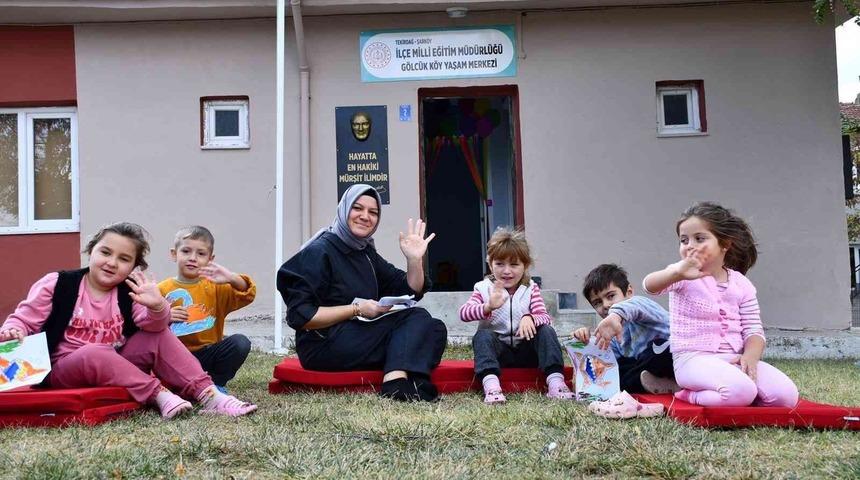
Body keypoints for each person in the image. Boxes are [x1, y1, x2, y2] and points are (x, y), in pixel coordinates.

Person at [0, 222, 256, 418]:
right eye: (105, 252)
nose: (112, 263)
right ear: (92, 251)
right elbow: (24, 319)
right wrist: (13, 329)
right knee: (94, 352)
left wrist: (157, 306)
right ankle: (157, 394)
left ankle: (210, 395)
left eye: (123, 259)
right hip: (63, 368)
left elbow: (153, 325)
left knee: (158, 334)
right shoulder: (58, 284)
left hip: (117, 361)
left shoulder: (129, 290)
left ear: (134, 266)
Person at [277, 184, 447, 402]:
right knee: (418, 320)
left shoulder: (364, 251)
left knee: (435, 329)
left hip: (357, 337)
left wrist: (414, 260)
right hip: (323, 344)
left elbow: (410, 289)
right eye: (357, 208)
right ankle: (400, 382)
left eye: (373, 212)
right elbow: (303, 316)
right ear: (344, 210)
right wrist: (356, 309)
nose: (365, 216)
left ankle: (406, 377)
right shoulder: (320, 251)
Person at [642, 202, 799, 407]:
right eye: (683, 240)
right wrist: (676, 272)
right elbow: (649, 285)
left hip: (733, 360)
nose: (689, 245)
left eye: (699, 238)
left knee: (786, 396)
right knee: (740, 391)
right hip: (692, 360)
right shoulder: (679, 275)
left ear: (725, 243)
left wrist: (750, 357)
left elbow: (754, 330)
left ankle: (735, 395)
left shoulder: (742, 284)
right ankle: (686, 393)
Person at [458, 227, 575, 405]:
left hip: (527, 351)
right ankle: (491, 386)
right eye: (499, 264)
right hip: (499, 354)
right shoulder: (483, 288)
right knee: (483, 336)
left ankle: (556, 382)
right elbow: (464, 313)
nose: (506, 271)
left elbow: (544, 317)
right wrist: (488, 306)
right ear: (490, 264)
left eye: (514, 264)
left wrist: (529, 317)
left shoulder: (530, 288)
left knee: (546, 331)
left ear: (525, 266)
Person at [158, 225, 255, 394]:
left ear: (210, 258)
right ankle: (179, 387)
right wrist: (164, 316)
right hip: (176, 358)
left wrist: (232, 278)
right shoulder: (161, 289)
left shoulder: (216, 287)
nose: (193, 258)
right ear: (174, 254)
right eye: (186, 251)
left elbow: (247, 294)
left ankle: (215, 385)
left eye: (201, 254)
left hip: (207, 356)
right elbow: (147, 323)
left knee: (240, 343)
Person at [572, 264, 677, 394]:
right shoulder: (610, 334)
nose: (605, 305)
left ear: (629, 292)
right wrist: (585, 342)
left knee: (657, 348)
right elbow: (607, 362)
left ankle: (666, 381)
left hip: (674, 357)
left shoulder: (641, 304)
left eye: (610, 296)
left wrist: (616, 316)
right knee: (618, 369)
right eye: (598, 303)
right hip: (646, 370)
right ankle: (662, 385)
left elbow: (634, 306)